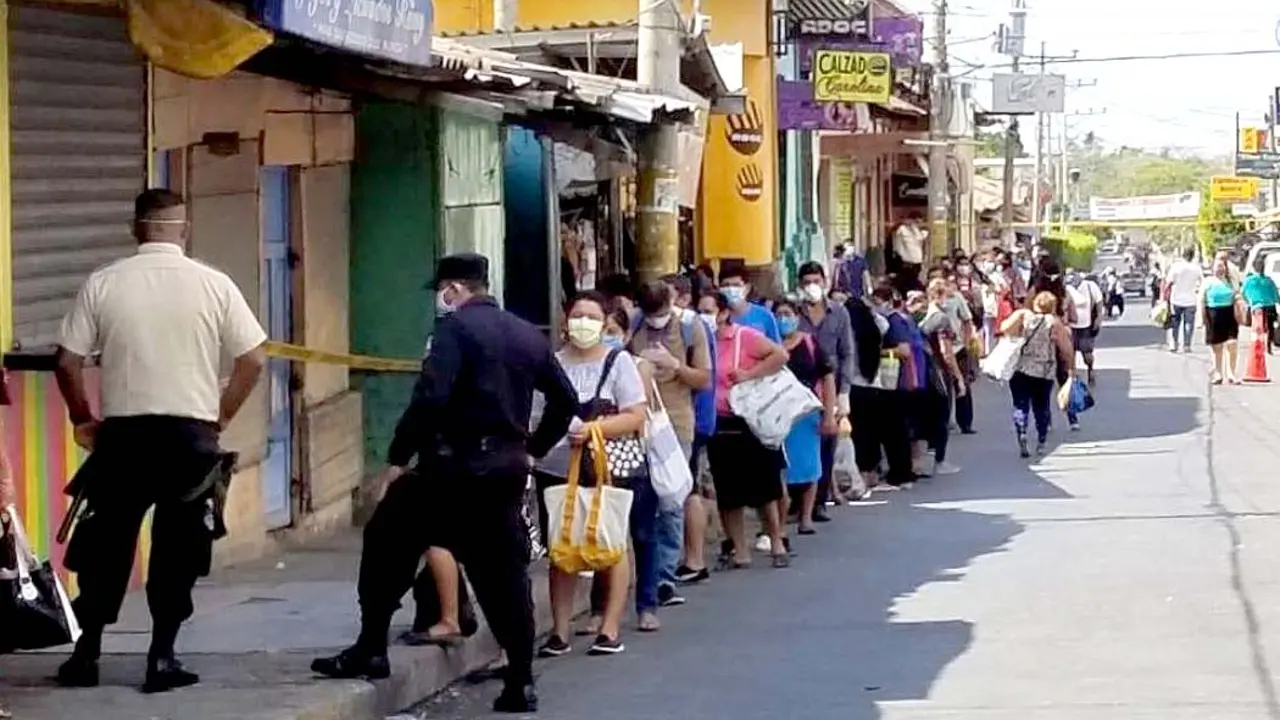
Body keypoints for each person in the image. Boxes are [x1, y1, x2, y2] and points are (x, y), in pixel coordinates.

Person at [312, 253, 579, 714]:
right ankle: (520, 679)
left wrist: (397, 458)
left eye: (442, 291)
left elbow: (432, 396)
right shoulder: (525, 334)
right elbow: (566, 399)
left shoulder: (454, 330)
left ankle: (371, 647)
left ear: (454, 289)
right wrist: (532, 447)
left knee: (385, 539)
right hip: (505, 472)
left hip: (451, 470)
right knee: (504, 575)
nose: (441, 298)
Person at [53, 189, 267, 693]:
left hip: (123, 438)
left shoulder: (104, 283)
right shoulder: (214, 285)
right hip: (189, 440)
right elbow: (253, 359)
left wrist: (83, 418)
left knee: (106, 547)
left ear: (136, 229)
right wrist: (220, 416)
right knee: (179, 549)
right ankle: (162, 658)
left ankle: (86, 656)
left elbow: (67, 360)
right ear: (184, 230)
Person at [533, 293, 651, 654]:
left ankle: (610, 628)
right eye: (577, 315)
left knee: (612, 541)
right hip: (556, 465)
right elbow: (535, 415)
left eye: (591, 316)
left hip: (607, 464)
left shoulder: (619, 363)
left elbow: (636, 414)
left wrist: (596, 429)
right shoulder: (550, 363)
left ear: (604, 323)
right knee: (561, 545)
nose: (583, 322)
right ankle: (560, 631)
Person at [628, 280, 712, 608]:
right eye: (651, 316)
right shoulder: (634, 325)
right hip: (636, 421)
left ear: (673, 302)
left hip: (676, 424)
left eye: (661, 314)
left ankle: (664, 576)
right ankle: (645, 575)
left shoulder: (691, 327)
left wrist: (675, 366)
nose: (656, 321)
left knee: (670, 499)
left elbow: (703, 378)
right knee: (640, 500)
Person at [707, 291, 791, 568]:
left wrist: (749, 374)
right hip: (718, 421)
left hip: (749, 419)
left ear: (723, 313)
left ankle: (777, 541)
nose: (705, 317)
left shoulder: (744, 336)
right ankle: (740, 550)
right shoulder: (701, 343)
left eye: (710, 311)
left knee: (764, 486)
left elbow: (779, 355)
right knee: (728, 491)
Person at [795, 261, 855, 517]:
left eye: (816, 281)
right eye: (807, 282)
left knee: (827, 442)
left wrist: (845, 392)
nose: (812, 287)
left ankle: (819, 501)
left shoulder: (839, 313)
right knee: (801, 444)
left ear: (825, 282)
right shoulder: (793, 313)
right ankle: (799, 501)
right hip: (799, 387)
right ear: (800, 285)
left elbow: (847, 353)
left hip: (831, 386)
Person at [773, 300, 837, 535]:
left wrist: (829, 414)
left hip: (807, 412)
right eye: (778, 314)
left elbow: (827, 377)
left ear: (797, 316)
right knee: (781, 466)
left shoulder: (810, 343)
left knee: (810, 464)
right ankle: (780, 517)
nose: (783, 319)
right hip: (777, 414)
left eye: (787, 314)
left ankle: (806, 516)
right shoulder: (769, 343)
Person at [1000, 291, 1074, 458]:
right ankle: (1041, 440)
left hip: (1021, 368)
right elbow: (1066, 349)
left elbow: (1003, 328)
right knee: (1041, 406)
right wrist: (1070, 370)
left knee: (1020, 404)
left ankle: (1022, 432)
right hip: (1044, 371)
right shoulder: (1054, 323)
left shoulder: (1023, 316)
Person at [867, 281, 921, 486]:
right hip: (892, 384)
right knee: (896, 430)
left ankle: (902, 471)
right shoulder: (890, 320)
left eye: (879, 301)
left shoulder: (893, 321)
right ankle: (901, 469)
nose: (876, 306)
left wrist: (873, 354)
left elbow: (904, 350)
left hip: (896, 383)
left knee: (895, 430)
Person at [1202, 259, 1244, 385]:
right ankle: (1218, 373)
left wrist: (1239, 303)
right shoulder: (1208, 282)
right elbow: (1201, 300)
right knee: (1217, 347)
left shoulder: (1231, 281)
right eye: (1218, 266)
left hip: (1229, 314)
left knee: (1232, 344)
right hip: (1213, 314)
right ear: (1213, 268)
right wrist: (1201, 318)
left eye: (1222, 266)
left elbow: (1237, 294)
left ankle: (1231, 373)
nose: (1220, 269)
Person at [718, 261, 782, 342]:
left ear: (747, 288)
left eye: (736, 285)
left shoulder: (765, 316)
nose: (731, 289)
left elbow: (779, 351)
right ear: (719, 289)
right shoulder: (717, 317)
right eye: (726, 285)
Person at [1065, 267, 1104, 388]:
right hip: (1070, 326)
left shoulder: (1090, 286)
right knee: (1070, 353)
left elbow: (1099, 301)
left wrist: (1098, 318)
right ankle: (1072, 376)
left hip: (1086, 325)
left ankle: (1090, 368)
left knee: (1087, 353)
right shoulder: (1066, 288)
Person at [1165, 247, 1202, 353]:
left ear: (1182, 254)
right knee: (1189, 323)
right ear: (1193, 255)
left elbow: (1168, 283)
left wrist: (1163, 297)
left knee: (1175, 323)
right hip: (1191, 300)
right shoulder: (1196, 268)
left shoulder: (1176, 267)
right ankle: (1187, 345)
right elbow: (1201, 282)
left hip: (1176, 299)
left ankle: (1174, 344)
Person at [1242, 257, 1279, 354]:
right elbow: (1275, 293)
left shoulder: (1249, 280)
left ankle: (1260, 345)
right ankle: (1268, 346)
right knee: (1270, 327)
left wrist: (1248, 302)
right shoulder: (1268, 280)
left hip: (1257, 307)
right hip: (1270, 306)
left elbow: (1242, 292)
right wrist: (1277, 301)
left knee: (1258, 327)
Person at [892, 217, 926, 293]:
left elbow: (919, 238)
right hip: (905, 260)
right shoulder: (902, 229)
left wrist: (914, 228)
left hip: (917, 261)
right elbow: (898, 243)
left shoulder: (922, 230)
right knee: (907, 280)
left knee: (911, 280)